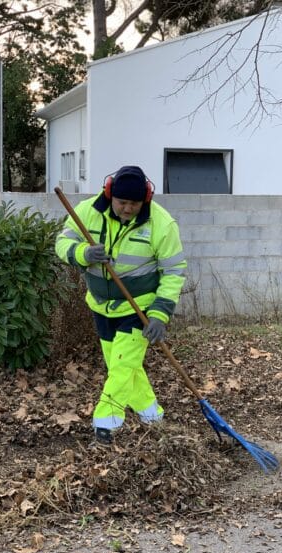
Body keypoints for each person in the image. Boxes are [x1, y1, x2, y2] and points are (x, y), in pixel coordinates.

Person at [55, 165, 187, 444]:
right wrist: (83, 253)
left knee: (122, 366)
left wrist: (160, 314)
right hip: (100, 305)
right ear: (110, 194)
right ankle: (153, 417)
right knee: (125, 367)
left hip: (138, 308)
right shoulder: (87, 210)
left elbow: (174, 272)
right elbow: (62, 242)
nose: (128, 209)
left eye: (135, 204)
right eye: (122, 202)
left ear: (146, 199)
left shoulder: (162, 225)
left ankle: (106, 425)